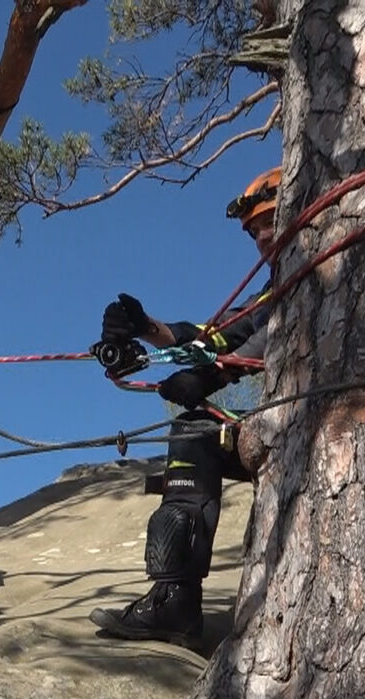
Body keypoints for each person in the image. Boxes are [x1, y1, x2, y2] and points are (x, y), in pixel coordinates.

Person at [87, 166, 283, 647]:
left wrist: (211, 375)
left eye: (269, 221)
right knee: (194, 433)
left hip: (323, 430)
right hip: (279, 430)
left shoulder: (327, 274)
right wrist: (144, 326)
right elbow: (218, 336)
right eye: (253, 230)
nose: (260, 237)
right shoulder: (266, 293)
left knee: (198, 427)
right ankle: (174, 602)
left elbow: (270, 339)